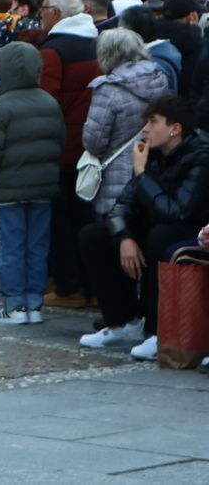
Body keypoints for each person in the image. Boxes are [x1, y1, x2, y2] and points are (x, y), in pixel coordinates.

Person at [77, 96, 209, 359]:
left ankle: (157, 329)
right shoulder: (153, 154)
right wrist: (124, 236)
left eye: (152, 122)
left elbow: (177, 211)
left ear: (175, 128)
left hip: (190, 228)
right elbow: (121, 205)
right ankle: (123, 321)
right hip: (157, 225)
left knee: (160, 238)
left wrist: (141, 175)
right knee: (94, 235)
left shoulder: (200, 157)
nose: (145, 129)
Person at [0, 42, 64, 324]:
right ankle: (34, 304)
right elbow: (60, 142)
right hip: (42, 188)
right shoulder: (50, 102)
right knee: (37, 247)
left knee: (11, 248)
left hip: (8, 191)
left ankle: (14, 306)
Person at [36, 0, 101, 309]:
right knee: (87, 219)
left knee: (61, 222)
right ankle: (93, 287)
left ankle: (69, 287)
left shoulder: (53, 50)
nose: (41, 15)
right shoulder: (96, 41)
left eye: (44, 9)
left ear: (57, 13)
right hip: (93, 147)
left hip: (63, 149)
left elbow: (44, 103)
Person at [83, 29, 173, 220]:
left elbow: (94, 141)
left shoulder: (108, 88)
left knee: (114, 231)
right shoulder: (159, 77)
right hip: (155, 166)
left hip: (116, 174)